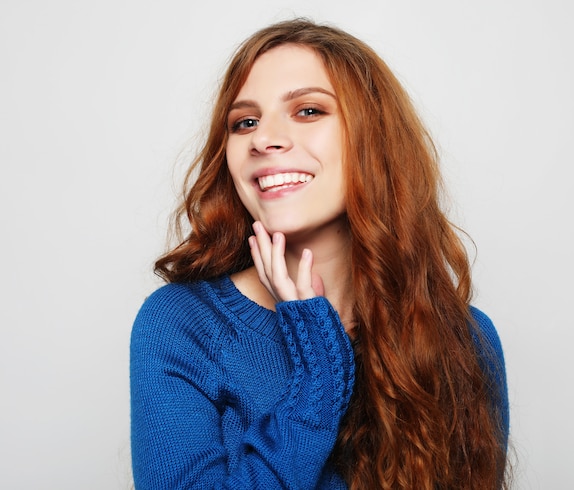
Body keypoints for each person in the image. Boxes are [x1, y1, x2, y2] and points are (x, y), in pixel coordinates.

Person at [130, 18, 509, 489]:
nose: (263, 139)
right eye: (244, 122)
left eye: (308, 111)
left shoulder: (465, 338)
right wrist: (318, 370)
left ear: (372, 139)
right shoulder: (181, 324)